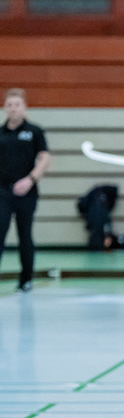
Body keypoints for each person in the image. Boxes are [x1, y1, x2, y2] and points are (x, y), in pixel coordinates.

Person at [0, 88, 50, 294]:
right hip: (3, 191)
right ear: (4, 108)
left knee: (25, 235)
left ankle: (26, 280)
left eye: (17, 105)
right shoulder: (1, 133)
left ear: (24, 108)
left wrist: (31, 179)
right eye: (9, 105)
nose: (13, 109)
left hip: (26, 192)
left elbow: (44, 158)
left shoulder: (35, 132)